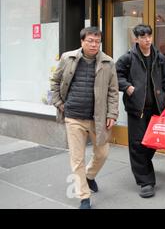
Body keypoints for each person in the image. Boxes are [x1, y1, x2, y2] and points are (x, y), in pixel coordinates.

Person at [50, 27, 119, 209]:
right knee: (77, 158)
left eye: (97, 41)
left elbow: (113, 91)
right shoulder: (67, 58)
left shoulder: (108, 62)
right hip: (73, 117)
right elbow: (55, 81)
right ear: (82, 41)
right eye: (90, 40)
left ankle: (89, 176)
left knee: (103, 153)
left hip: (98, 118)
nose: (94, 44)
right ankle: (84, 196)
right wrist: (59, 103)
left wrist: (112, 114)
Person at [116, 24, 165, 198]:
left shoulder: (160, 59)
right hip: (137, 109)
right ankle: (146, 182)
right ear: (135, 39)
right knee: (137, 144)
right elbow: (116, 76)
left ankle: (142, 165)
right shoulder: (127, 59)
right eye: (143, 37)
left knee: (152, 142)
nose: (147, 40)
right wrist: (127, 87)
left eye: (149, 36)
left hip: (156, 108)